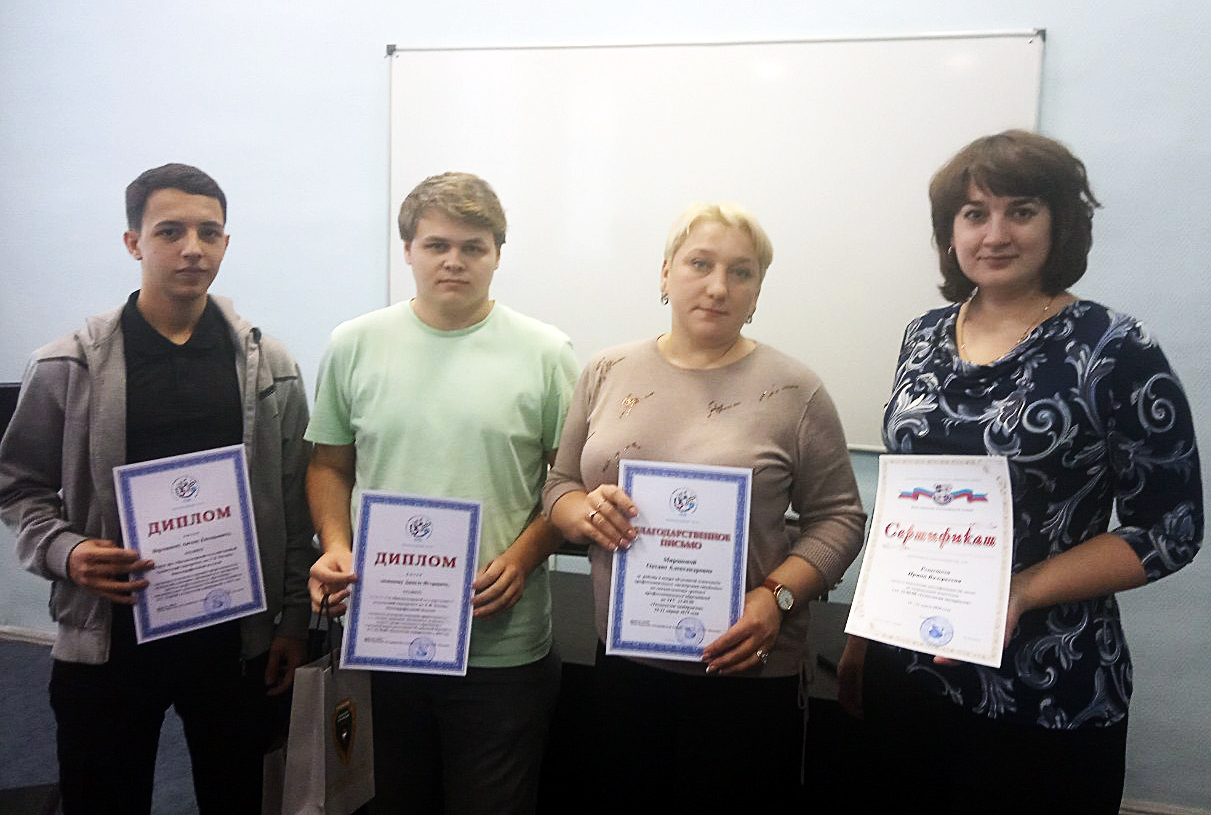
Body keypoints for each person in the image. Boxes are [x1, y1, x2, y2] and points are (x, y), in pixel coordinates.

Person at [838, 130, 1203, 814]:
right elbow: (906, 506)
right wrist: (860, 633)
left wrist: (1019, 591)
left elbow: (1170, 529)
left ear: (1059, 222)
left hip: (1049, 684)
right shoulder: (922, 336)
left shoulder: (1116, 348)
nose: (995, 233)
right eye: (974, 213)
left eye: (1021, 211)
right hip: (908, 667)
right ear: (950, 232)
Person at [0, 163, 315, 814]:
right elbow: (17, 486)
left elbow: (291, 499)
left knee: (238, 798)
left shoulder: (271, 367)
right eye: (170, 231)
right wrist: (65, 551)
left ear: (226, 243)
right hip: (109, 636)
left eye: (209, 232)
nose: (192, 248)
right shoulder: (67, 364)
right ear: (133, 242)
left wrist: (291, 619)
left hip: (232, 639)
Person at [542, 203, 866, 806]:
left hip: (748, 667)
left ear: (757, 291)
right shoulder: (606, 370)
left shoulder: (796, 389)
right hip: (626, 661)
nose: (719, 287)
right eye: (700, 264)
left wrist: (778, 597)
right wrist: (582, 513)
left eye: (741, 272)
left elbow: (840, 519)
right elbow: (560, 484)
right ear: (665, 273)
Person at [306, 171, 579, 814]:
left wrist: (523, 557)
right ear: (408, 250)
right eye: (436, 245)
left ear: (497, 254)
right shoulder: (353, 344)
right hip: (382, 629)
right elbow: (328, 465)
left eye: (473, 247)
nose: (454, 261)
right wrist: (336, 544)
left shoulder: (548, 353)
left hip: (500, 642)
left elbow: (570, 485)